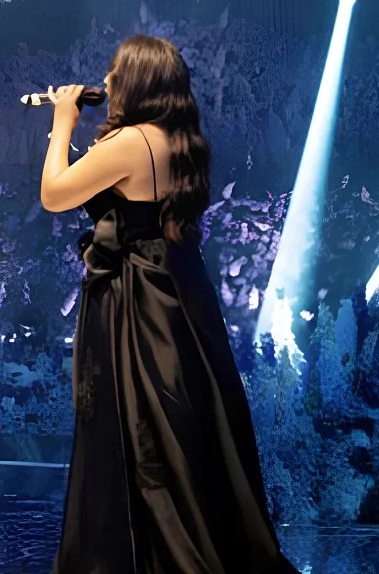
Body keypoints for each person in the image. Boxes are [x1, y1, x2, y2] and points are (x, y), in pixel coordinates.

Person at [40, 35, 295, 573]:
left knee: (138, 431)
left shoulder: (134, 141)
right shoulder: (179, 140)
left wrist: (63, 119)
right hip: (175, 288)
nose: (106, 84)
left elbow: (54, 193)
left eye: (114, 75)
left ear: (136, 82)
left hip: (137, 302)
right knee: (176, 431)